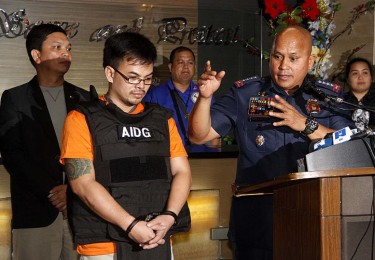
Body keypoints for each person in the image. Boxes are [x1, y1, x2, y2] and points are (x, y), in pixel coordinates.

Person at [188, 25, 353, 259]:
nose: (284, 66)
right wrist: (204, 99)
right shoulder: (245, 94)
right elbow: (199, 135)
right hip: (257, 220)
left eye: (293, 58)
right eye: (278, 57)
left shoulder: (328, 98)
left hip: (314, 216)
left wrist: (306, 124)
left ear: (310, 61)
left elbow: (350, 144)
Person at [60, 32, 191, 259]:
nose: (141, 86)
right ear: (110, 73)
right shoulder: (81, 119)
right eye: (132, 77)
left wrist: (170, 216)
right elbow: (83, 185)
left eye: (148, 78)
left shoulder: (162, 119)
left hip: (157, 238)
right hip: (104, 247)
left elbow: (182, 171)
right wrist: (131, 225)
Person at [0, 24, 89, 260]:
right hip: (35, 210)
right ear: (36, 55)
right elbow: (12, 153)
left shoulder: (84, 98)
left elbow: (94, 152)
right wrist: (53, 193)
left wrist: (72, 191)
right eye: (57, 47)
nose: (66, 54)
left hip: (80, 210)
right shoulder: (15, 98)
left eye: (68, 48)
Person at [144, 46, 219, 152]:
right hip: (172, 157)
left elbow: (215, 132)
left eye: (190, 63)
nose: (186, 67)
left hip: (203, 156)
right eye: (180, 62)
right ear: (171, 67)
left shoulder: (204, 93)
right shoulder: (155, 94)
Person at [343, 57, 374, 131]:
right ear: (347, 79)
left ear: (371, 78)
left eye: (365, 72)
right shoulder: (340, 102)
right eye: (355, 73)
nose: (360, 77)